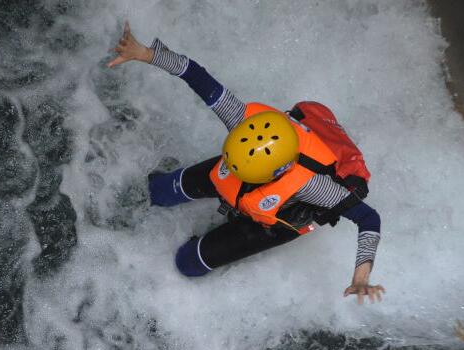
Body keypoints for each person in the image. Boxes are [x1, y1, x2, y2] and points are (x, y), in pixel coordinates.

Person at [108, 22, 385, 304]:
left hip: (275, 220)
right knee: (158, 191)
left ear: (272, 173)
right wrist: (144, 53)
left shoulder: (312, 187)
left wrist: (361, 277)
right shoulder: (243, 121)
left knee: (188, 264)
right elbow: (195, 74)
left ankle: (209, 238)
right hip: (241, 169)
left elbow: (369, 218)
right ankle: (210, 192)